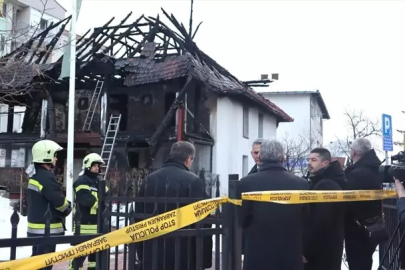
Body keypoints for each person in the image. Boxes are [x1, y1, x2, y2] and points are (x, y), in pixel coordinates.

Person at [135, 141, 213, 270]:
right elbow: (202, 222)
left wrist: (141, 251)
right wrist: (204, 259)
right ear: (189, 159)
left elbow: (138, 217)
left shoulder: (149, 179)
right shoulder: (194, 181)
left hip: (152, 251)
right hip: (183, 254)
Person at [238, 138, 309, 270]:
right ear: (282, 157)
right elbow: (305, 218)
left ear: (261, 157)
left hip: (258, 252)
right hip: (290, 253)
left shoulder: (246, 183)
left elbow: (241, 219)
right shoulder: (301, 183)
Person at [26, 139, 72, 270]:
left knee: (36, 263)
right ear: (46, 155)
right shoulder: (46, 177)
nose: (56, 159)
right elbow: (59, 201)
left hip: (36, 230)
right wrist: (68, 207)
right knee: (44, 265)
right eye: (54, 155)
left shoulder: (35, 175)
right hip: (47, 231)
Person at [344, 138, 384, 270]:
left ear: (354, 152)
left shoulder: (357, 173)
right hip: (372, 225)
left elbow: (349, 202)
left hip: (357, 229)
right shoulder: (375, 168)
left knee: (358, 264)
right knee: (366, 262)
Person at [304, 147, 346, 270]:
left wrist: (307, 250)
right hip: (327, 247)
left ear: (325, 163)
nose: (309, 163)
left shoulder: (326, 185)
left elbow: (320, 222)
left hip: (322, 251)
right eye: (308, 159)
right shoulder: (323, 181)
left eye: (313, 160)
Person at [69, 153, 106, 270]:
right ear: (88, 165)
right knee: (79, 255)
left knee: (94, 258)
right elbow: (84, 198)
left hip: (97, 225)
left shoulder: (100, 182)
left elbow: (107, 197)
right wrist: (99, 204)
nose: (97, 168)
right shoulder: (81, 181)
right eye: (94, 165)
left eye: (98, 166)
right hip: (83, 225)